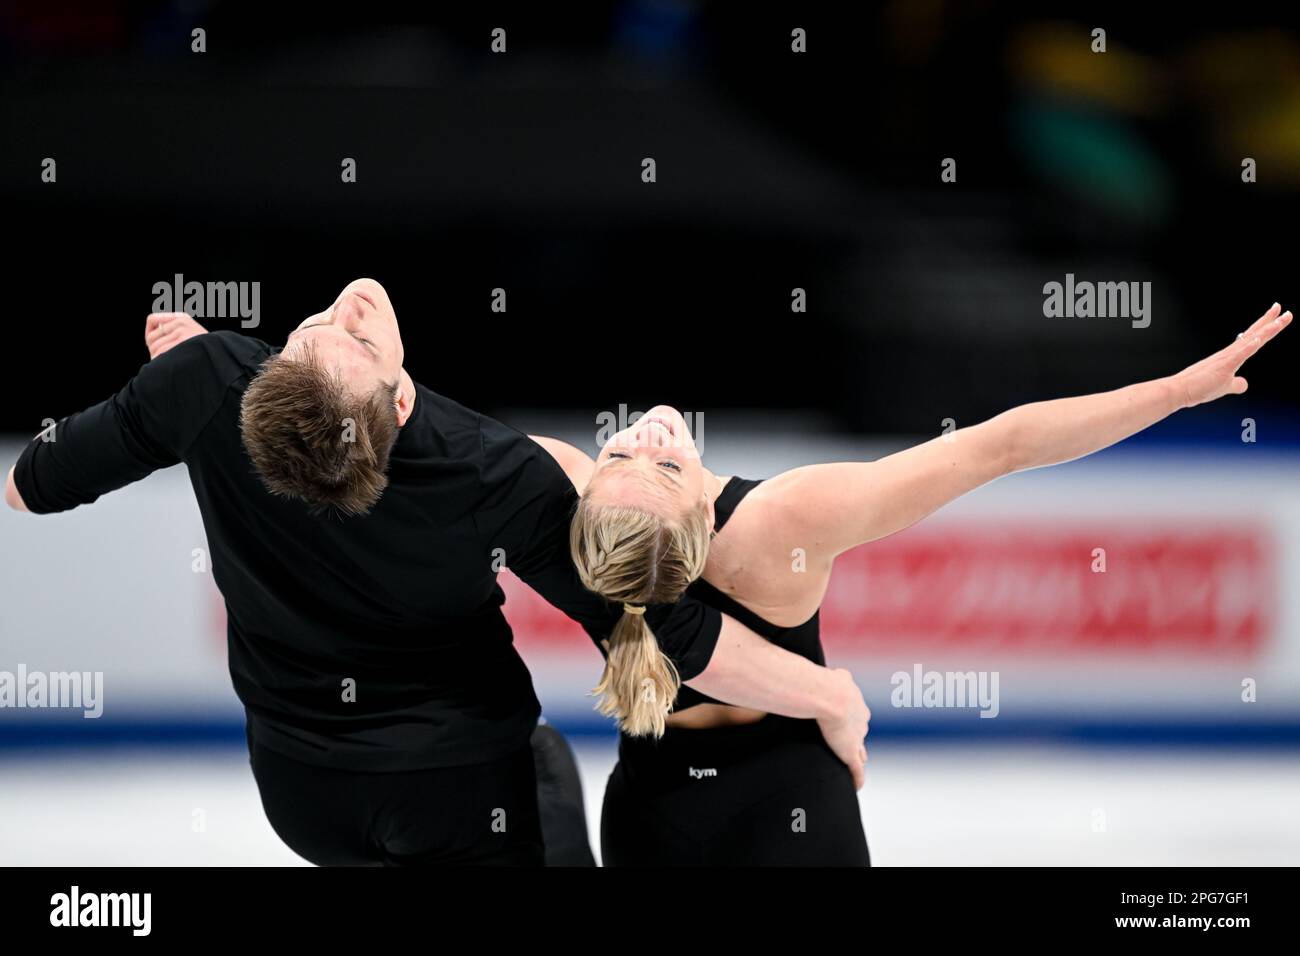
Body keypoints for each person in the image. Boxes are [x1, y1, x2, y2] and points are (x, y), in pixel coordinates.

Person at [4, 278, 870, 866]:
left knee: (541, 762)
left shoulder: (207, 385)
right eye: (342, 337)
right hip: (462, 798)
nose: (348, 307)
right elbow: (659, 630)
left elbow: (25, 488)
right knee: (543, 766)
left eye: (325, 332)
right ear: (402, 400)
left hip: (304, 799)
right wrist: (830, 695)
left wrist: (165, 398)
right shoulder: (491, 468)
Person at [532, 302, 1291, 866]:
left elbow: (430, 428)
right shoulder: (784, 521)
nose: (644, 442)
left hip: (651, 804)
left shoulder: (565, 502)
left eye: (637, 459)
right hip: (790, 797)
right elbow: (1002, 446)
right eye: (635, 461)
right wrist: (1172, 393)